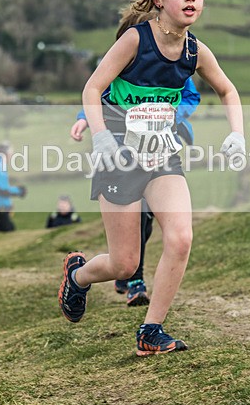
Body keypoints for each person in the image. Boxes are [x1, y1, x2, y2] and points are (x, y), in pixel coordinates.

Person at [58, 0, 245, 356]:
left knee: (180, 237)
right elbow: (92, 88)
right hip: (119, 157)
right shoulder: (134, 41)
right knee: (124, 264)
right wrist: (103, 135)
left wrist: (237, 135)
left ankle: (151, 331)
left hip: (161, 156)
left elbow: (228, 90)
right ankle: (79, 276)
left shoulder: (195, 51)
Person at [71, 40, 201, 308]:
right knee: (131, 240)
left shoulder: (178, 60)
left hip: (162, 151)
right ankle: (133, 279)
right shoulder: (125, 55)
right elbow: (98, 91)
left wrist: (168, 114)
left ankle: (148, 317)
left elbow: (190, 96)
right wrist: (85, 119)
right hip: (121, 153)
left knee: (154, 223)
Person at [0, 140, 26, 233]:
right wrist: (19, 191)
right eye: (11, 154)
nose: (11, 157)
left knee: (3, 232)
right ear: (7, 154)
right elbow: (3, 190)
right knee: (9, 232)